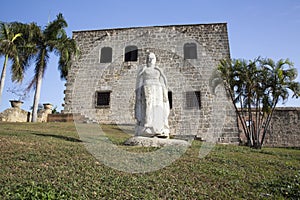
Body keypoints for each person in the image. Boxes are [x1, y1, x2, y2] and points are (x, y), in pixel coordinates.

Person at [135, 52, 170, 138]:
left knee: (158, 106)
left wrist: (165, 94)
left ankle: (159, 128)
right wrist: (138, 94)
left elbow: (163, 82)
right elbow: (139, 82)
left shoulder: (158, 70)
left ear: (155, 60)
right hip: (147, 87)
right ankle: (147, 126)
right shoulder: (144, 69)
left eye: (152, 58)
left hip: (158, 89)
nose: (150, 60)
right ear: (147, 60)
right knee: (148, 106)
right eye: (149, 58)